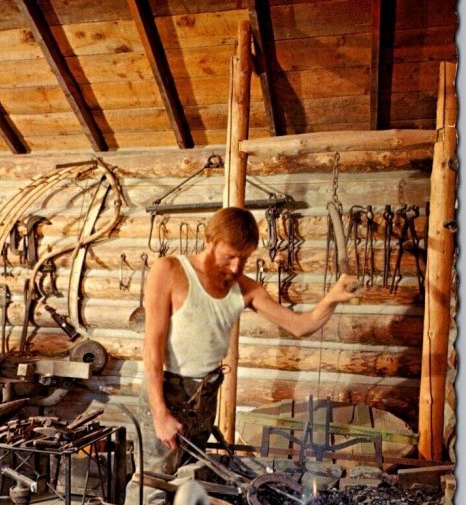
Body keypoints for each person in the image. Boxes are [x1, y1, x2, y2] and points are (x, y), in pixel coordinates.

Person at [135, 205, 358, 482]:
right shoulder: (169, 270)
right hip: (167, 390)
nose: (237, 267)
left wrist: (332, 299)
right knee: (152, 482)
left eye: (245, 258)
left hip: (204, 395)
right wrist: (160, 414)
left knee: (189, 481)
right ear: (209, 241)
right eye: (230, 256)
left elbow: (301, 326)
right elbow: (152, 348)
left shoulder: (246, 288)